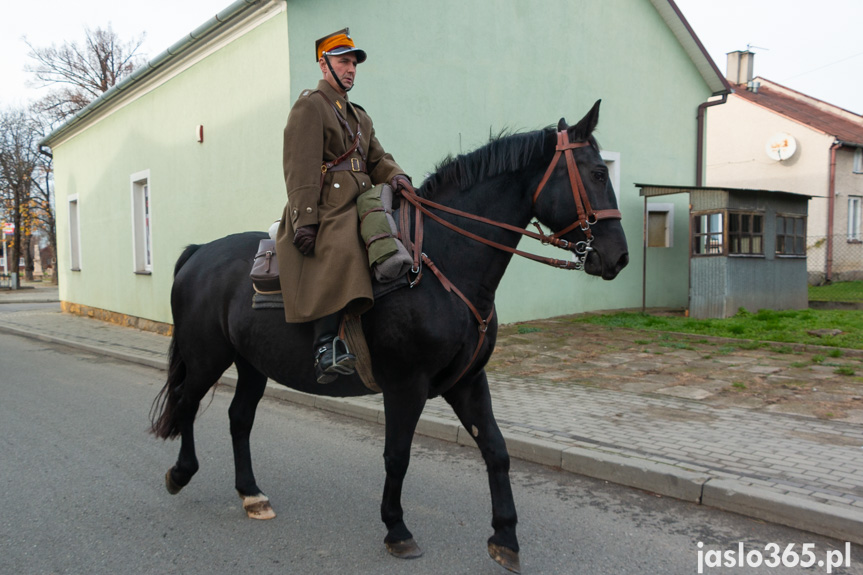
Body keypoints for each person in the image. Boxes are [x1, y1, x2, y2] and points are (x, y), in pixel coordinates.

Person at [276, 28, 411, 384]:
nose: (350, 69)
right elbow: (299, 164)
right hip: (327, 205)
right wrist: (305, 218)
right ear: (324, 66)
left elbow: (377, 158)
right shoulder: (311, 106)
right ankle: (325, 346)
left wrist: (398, 178)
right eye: (343, 61)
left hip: (361, 196)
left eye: (353, 63)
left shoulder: (360, 117)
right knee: (344, 243)